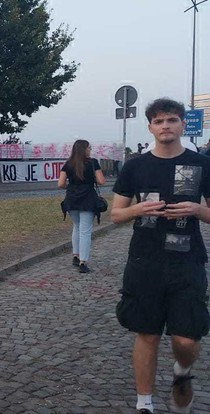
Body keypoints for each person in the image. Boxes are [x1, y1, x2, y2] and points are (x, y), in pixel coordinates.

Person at [111, 98, 210, 414]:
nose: (165, 126)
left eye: (171, 120)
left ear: (182, 124)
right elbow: (115, 213)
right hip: (145, 260)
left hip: (187, 260)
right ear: (150, 127)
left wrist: (198, 209)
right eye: (159, 121)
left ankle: (182, 371)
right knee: (147, 334)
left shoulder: (202, 164)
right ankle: (145, 403)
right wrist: (137, 209)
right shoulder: (135, 166)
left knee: (185, 340)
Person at [57, 139, 106, 273]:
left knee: (76, 226)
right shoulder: (93, 163)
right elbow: (101, 181)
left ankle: (75, 255)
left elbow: (60, 184)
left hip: (72, 198)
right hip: (88, 198)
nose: (90, 150)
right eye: (89, 148)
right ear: (84, 149)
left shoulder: (68, 163)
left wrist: (71, 186)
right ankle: (83, 262)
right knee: (85, 230)